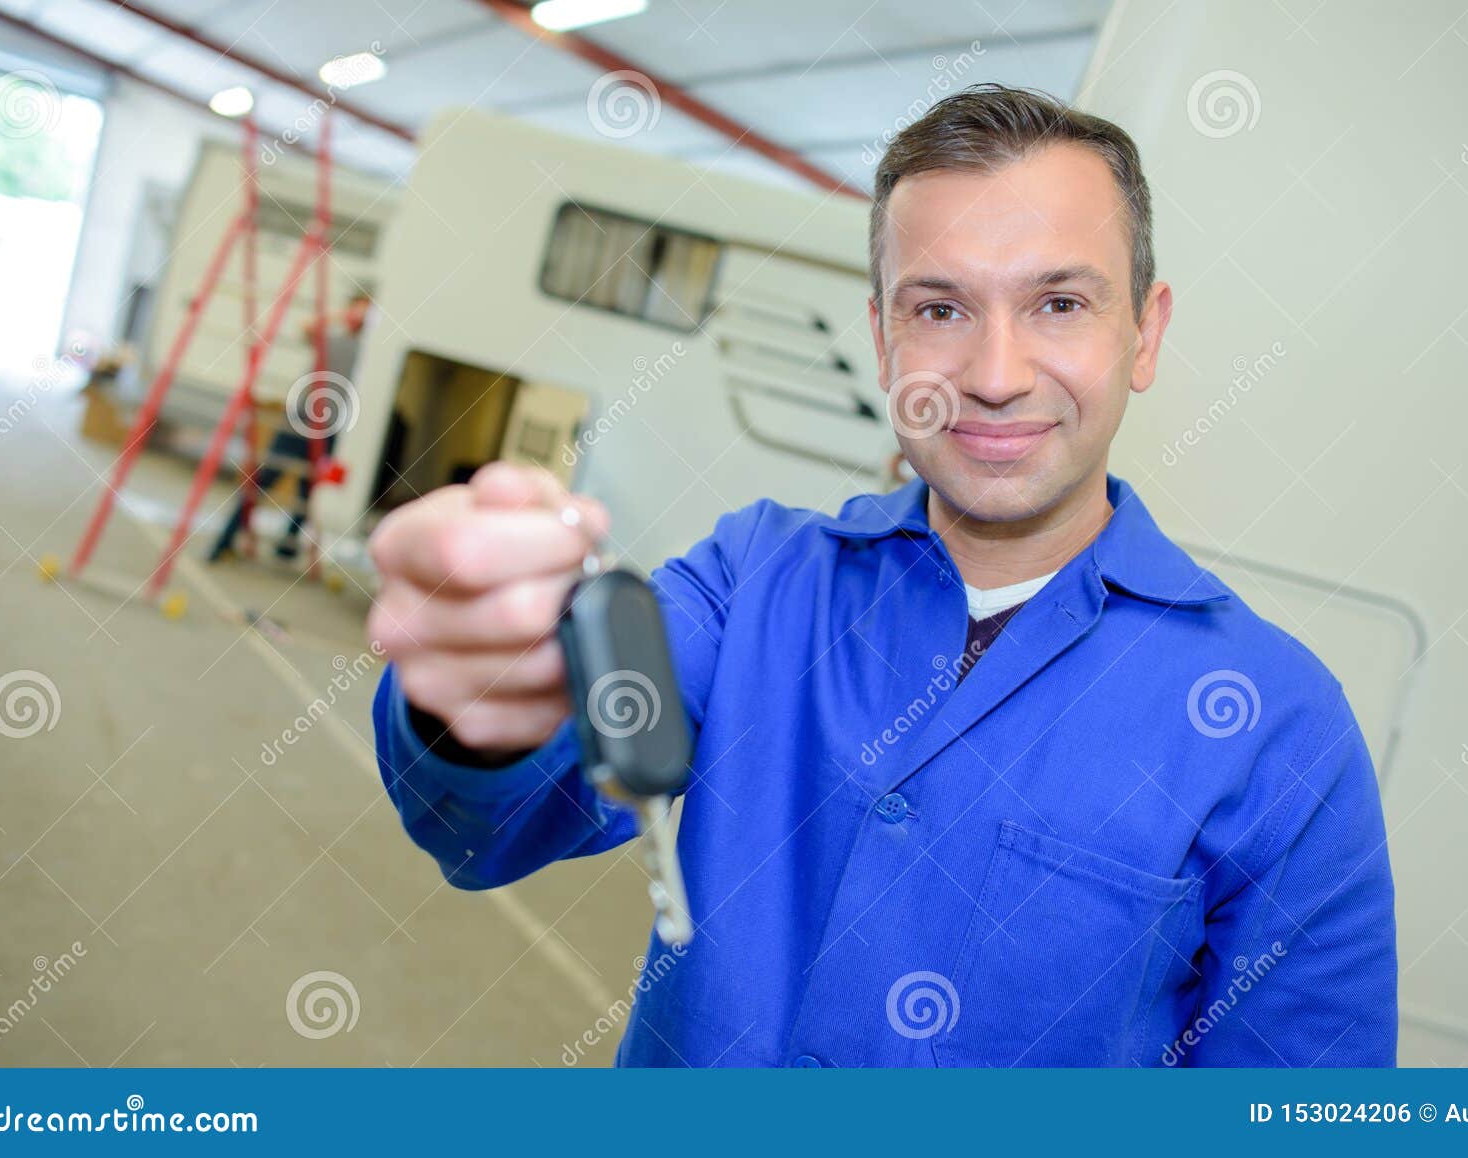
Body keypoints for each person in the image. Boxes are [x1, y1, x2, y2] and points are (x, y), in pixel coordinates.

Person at [366, 86, 1398, 1067]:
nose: (994, 376)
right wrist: (477, 692)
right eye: (939, 310)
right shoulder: (753, 580)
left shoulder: (1278, 728)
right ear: (880, 338)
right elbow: (496, 825)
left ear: (1145, 331)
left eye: (1058, 303)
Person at [207, 288, 370, 563]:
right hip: (300, 420)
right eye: (356, 310)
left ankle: (287, 544)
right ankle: (226, 539)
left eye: (364, 313)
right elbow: (307, 327)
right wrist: (343, 314)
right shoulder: (329, 339)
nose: (358, 317)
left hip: (330, 429)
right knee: (263, 480)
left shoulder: (368, 350)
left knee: (308, 490)